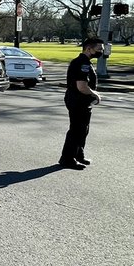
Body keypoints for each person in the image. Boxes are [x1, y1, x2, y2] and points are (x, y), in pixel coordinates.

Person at [59, 35, 105, 170]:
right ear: (89, 49)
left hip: (81, 101)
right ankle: (67, 159)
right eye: (99, 49)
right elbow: (82, 86)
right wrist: (95, 94)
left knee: (83, 129)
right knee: (76, 130)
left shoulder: (85, 62)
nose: (101, 51)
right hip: (77, 100)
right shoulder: (82, 64)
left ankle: (79, 154)